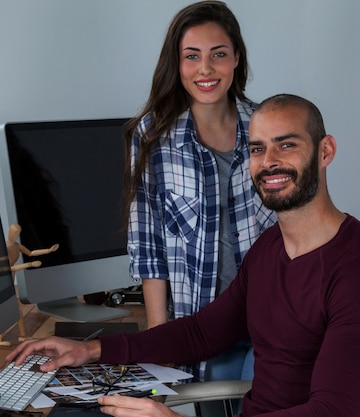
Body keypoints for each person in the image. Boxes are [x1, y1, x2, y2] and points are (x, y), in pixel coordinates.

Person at [7, 94, 360, 417]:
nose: (269, 161)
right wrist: (91, 351)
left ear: (325, 151)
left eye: (286, 145)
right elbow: (202, 333)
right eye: (256, 149)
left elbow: (333, 411)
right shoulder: (271, 249)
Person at [122, 0, 276, 382]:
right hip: (200, 329)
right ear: (177, 63)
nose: (205, 69)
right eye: (192, 56)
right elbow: (148, 246)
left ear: (237, 58)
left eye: (218, 54)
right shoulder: (152, 136)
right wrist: (161, 338)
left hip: (271, 325)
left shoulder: (268, 129)